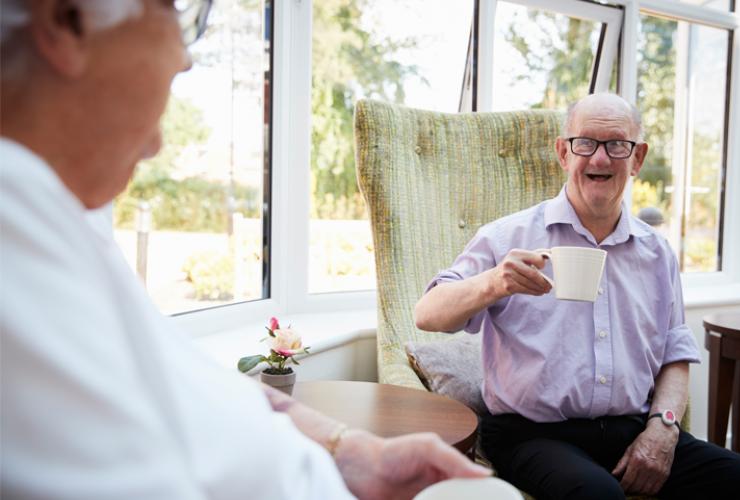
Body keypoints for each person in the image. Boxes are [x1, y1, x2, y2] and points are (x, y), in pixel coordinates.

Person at [0, 1, 490, 498]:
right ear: (66, 19)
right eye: (176, 11)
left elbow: (190, 392)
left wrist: (350, 451)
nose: (185, 58)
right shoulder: (15, 227)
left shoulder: (63, 216)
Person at [414, 93, 740, 499]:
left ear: (637, 158)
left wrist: (663, 426)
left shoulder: (656, 253)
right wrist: (495, 282)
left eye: (617, 145)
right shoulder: (507, 238)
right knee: (596, 496)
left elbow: (674, 354)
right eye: (584, 143)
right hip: (532, 433)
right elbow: (428, 314)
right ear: (563, 153)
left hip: (631, 426)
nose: (600, 159)